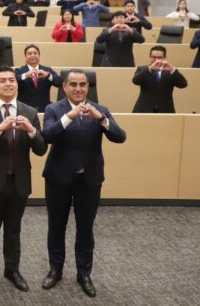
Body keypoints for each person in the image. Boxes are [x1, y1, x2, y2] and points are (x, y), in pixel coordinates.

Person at [41, 69, 127, 297]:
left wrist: (100, 118)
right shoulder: (53, 109)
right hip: (58, 179)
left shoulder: (101, 110)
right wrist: (69, 116)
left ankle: (84, 274)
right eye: (73, 84)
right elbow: (46, 136)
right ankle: (55, 270)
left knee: (86, 229)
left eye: (83, 84)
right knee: (56, 227)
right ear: (64, 87)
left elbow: (120, 136)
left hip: (89, 180)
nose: (78, 89)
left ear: (88, 87)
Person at [0, 66, 46, 292]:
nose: (8, 84)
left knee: (14, 230)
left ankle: (12, 270)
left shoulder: (30, 112)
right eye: (2, 80)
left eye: (12, 80)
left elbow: (41, 149)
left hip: (19, 182)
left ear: (17, 84)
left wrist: (32, 132)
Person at [132, 46, 188, 113]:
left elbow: (183, 84)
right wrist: (150, 68)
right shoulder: (143, 69)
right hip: (144, 109)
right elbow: (136, 81)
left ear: (164, 58)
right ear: (150, 57)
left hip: (165, 109)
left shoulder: (171, 71)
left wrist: (172, 70)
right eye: (153, 57)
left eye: (159, 57)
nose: (156, 60)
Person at [15, 45, 63, 112]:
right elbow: (13, 81)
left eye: (35, 53)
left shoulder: (47, 70)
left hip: (44, 109)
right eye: (29, 54)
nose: (32, 55)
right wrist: (25, 75)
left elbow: (60, 83)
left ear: (39, 55)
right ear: (25, 57)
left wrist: (48, 75)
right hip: (24, 111)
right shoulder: (19, 71)